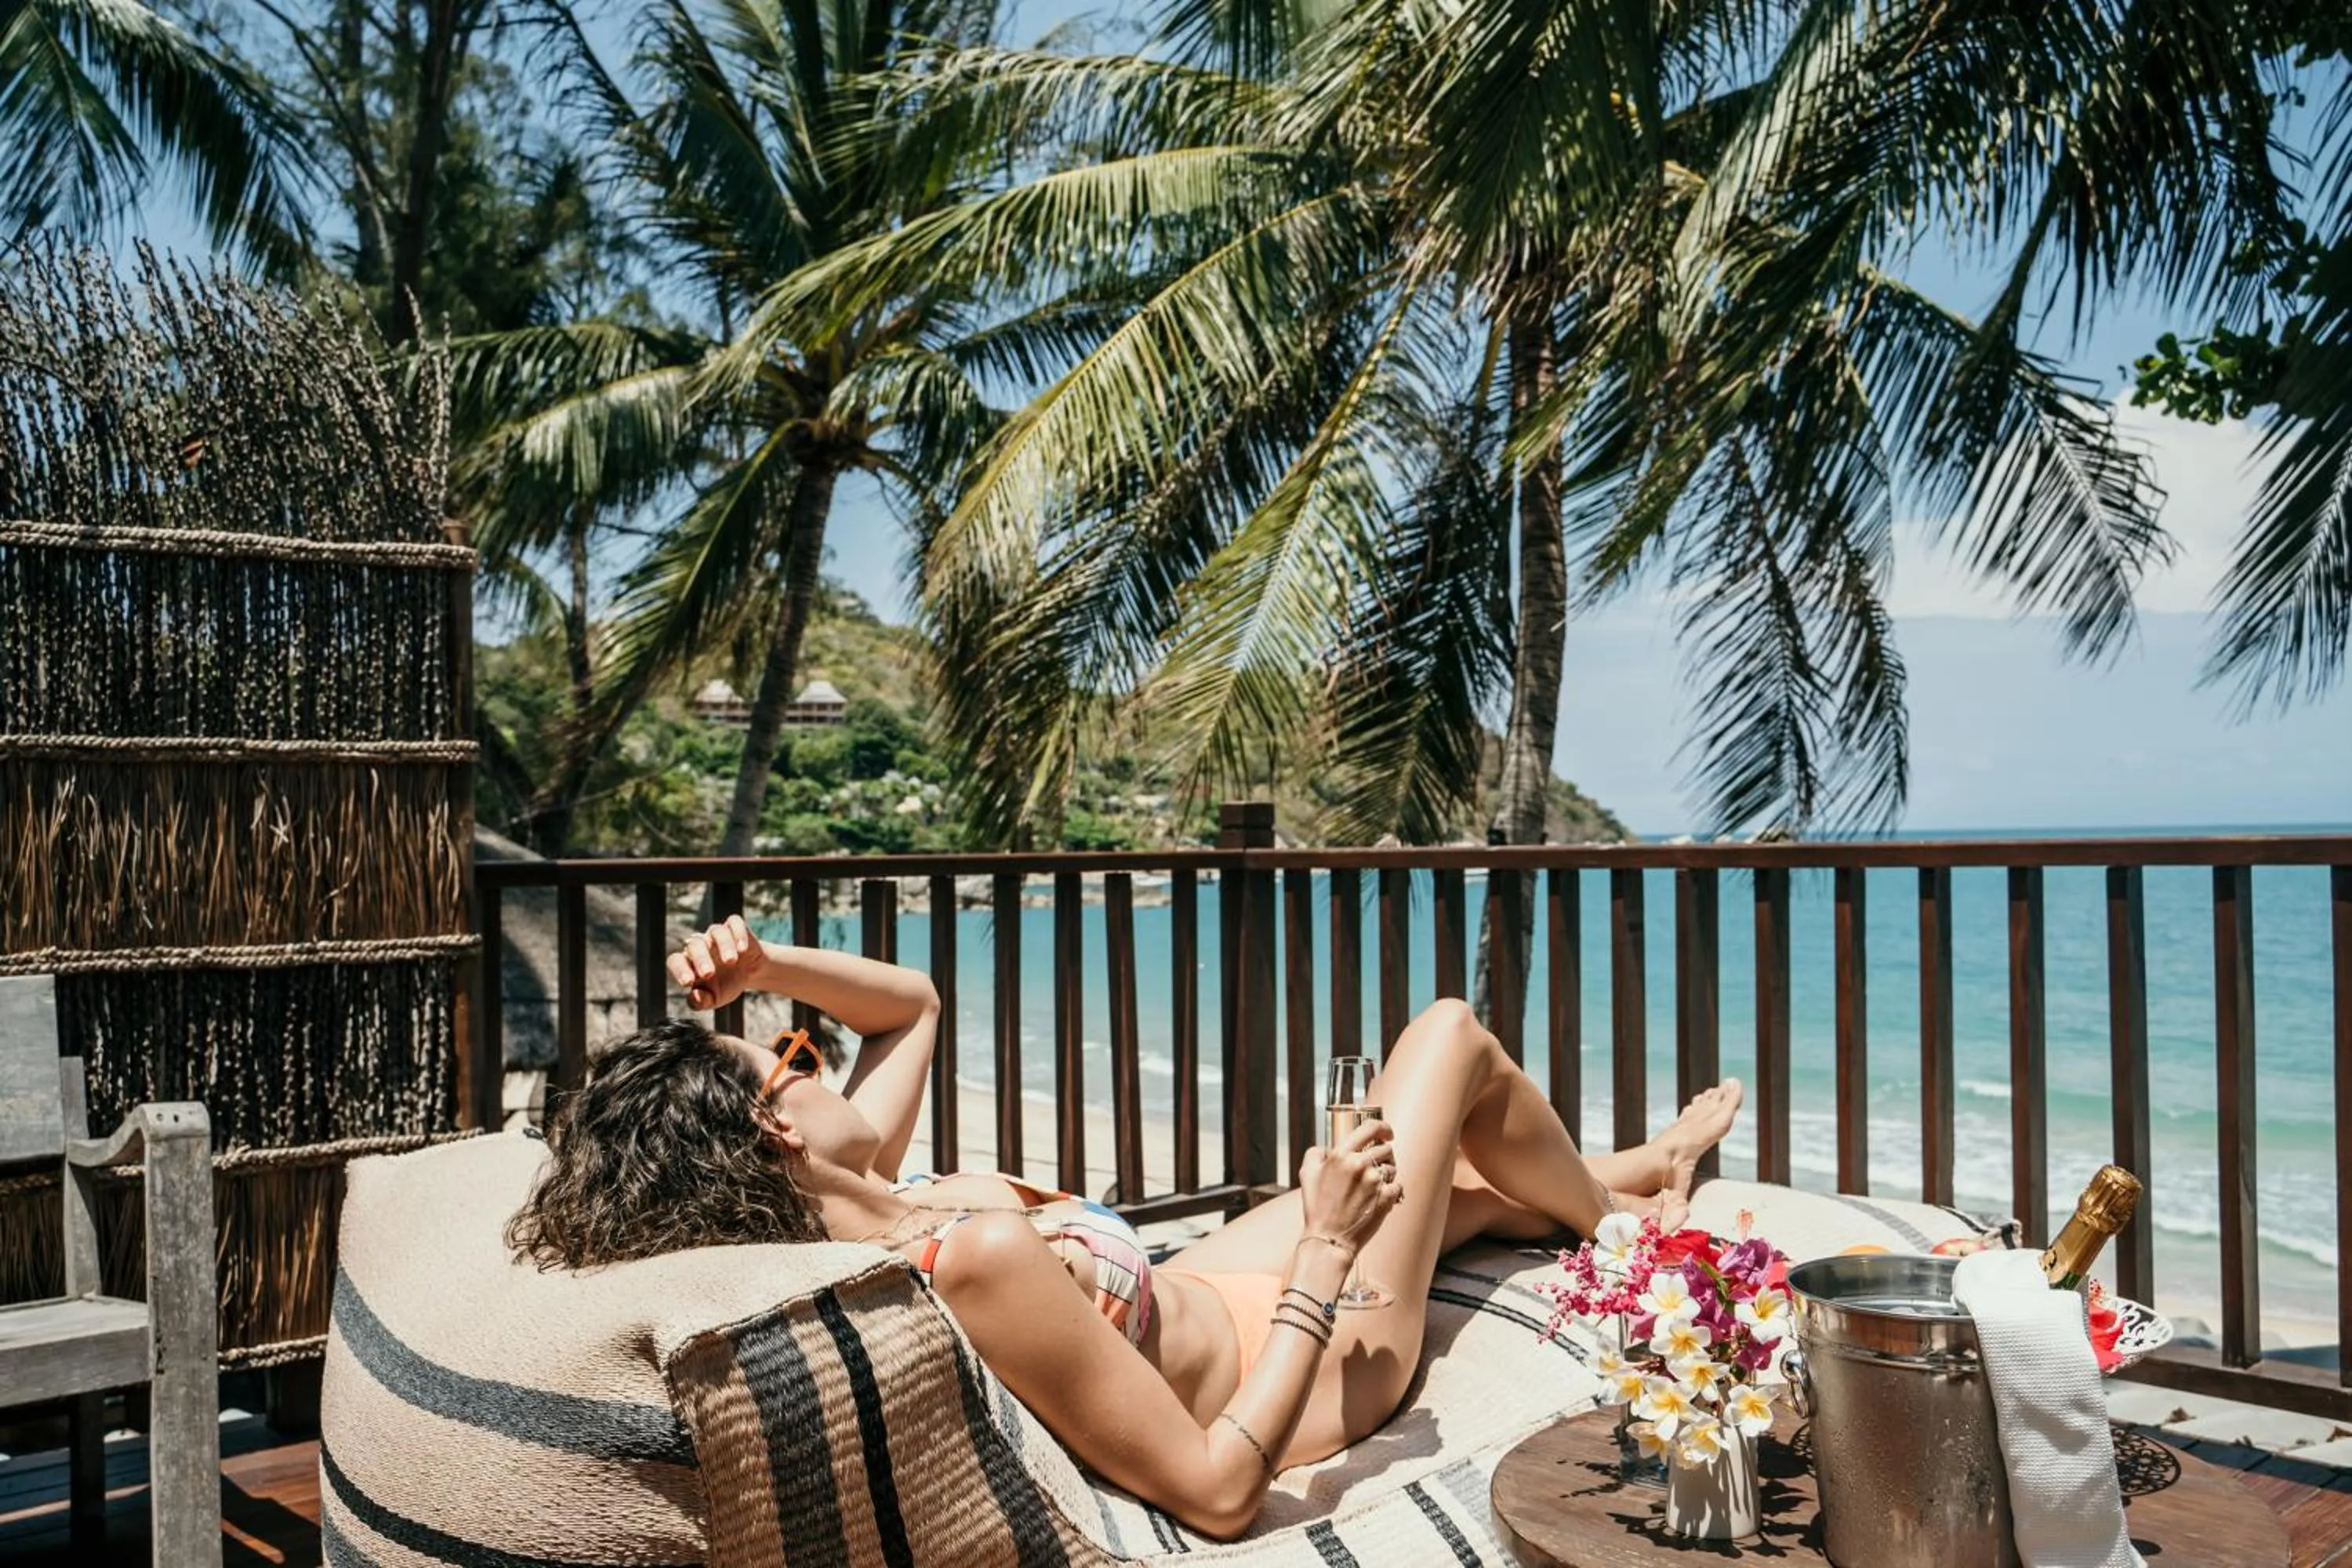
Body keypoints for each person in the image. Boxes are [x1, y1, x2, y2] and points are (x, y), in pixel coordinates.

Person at [509, 916, 1740, 1541]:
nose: (810, 1046)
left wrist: (762, 960)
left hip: (1188, 1291)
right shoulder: (959, 1260)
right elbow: (1213, 1495)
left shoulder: (854, 1200)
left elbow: (914, 1004)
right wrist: (1324, 1248)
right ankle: (1629, 1221)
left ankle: (1627, 1173)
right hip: (1310, 1366)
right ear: (781, 1129)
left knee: (1464, 1194)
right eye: (787, 1054)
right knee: (1452, 1036)